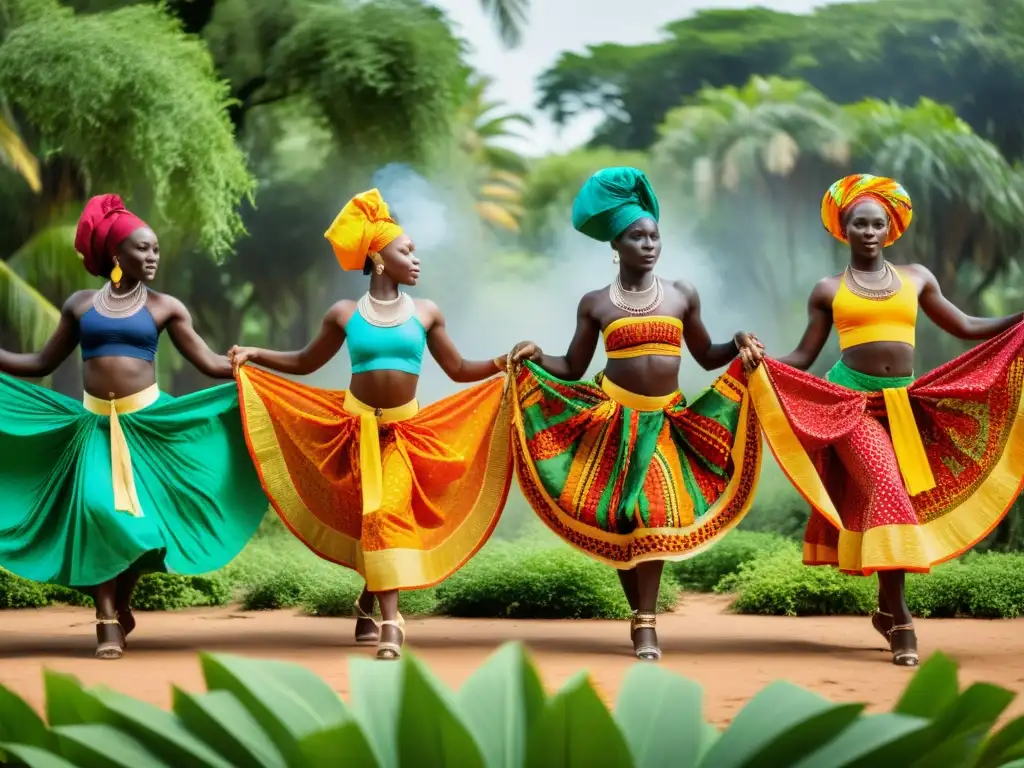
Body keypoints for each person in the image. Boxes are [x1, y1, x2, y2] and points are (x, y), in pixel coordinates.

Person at [744, 173, 1024, 666]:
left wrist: (1018, 318)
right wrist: (759, 360)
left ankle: (883, 605)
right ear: (844, 229)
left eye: (878, 223)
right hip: (850, 405)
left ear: (891, 228)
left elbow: (964, 326)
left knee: (896, 496)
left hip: (904, 405)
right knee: (888, 490)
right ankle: (900, 618)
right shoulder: (828, 289)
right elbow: (804, 355)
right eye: (860, 223)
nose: (869, 231)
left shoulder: (916, 277)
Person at [229, 188, 514, 661]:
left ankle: (390, 622)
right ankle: (368, 598)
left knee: (386, 515)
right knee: (368, 522)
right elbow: (304, 361)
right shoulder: (343, 314)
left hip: (406, 433)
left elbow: (460, 370)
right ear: (379, 260)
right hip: (353, 430)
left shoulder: (427, 313)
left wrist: (503, 362)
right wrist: (257, 355)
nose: (415, 259)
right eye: (406, 251)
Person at [509, 167, 765, 661]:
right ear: (616, 246)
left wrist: (735, 342)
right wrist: (537, 356)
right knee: (622, 519)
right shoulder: (596, 304)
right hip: (611, 419)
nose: (649, 244)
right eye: (637, 237)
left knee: (652, 515)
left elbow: (708, 355)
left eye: (654, 236)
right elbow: (573, 366)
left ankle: (645, 624)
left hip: (666, 422)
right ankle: (640, 617)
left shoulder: (681, 294)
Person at [0, 194, 268, 659]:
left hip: (150, 429)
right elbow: (40, 361)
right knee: (99, 509)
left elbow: (206, 362)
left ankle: (121, 601)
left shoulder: (166, 307)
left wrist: (250, 365)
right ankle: (106, 622)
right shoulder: (81, 306)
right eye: (142, 249)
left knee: (145, 530)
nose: (152, 257)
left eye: (156, 250)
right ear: (116, 255)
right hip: (93, 430)